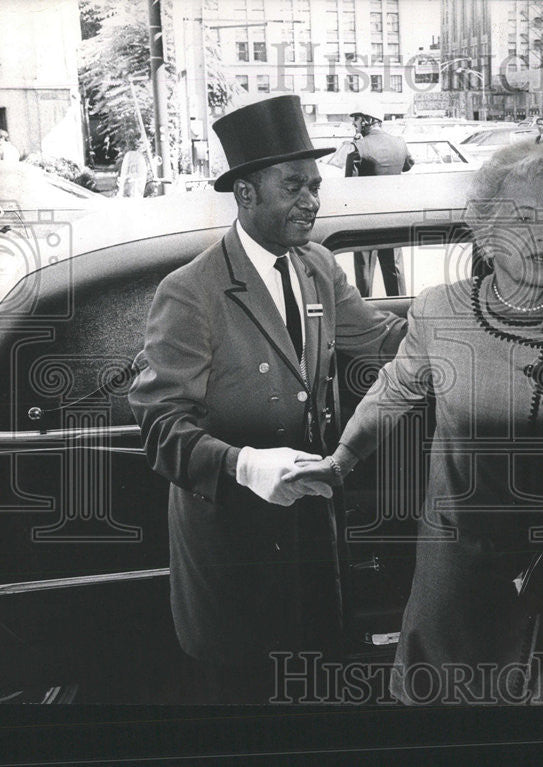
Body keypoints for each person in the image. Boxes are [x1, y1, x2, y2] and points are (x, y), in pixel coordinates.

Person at [288, 142, 543, 704]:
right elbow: (395, 390)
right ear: (487, 233)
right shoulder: (438, 310)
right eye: (524, 218)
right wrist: (343, 459)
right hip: (461, 573)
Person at [128, 95, 407, 703]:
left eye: (314, 185)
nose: (311, 200)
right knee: (248, 702)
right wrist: (246, 465)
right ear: (246, 193)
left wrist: (463, 314)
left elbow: (383, 339)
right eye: (294, 187)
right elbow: (160, 428)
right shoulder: (191, 291)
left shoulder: (316, 267)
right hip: (236, 554)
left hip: (311, 536)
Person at [347, 105, 414, 297]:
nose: (354, 123)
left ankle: (366, 309)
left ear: (367, 120)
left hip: (365, 217)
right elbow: (408, 165)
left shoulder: (359, 147)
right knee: (394, 267)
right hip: (393, 214)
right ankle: (401, 311)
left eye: (356, 119)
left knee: (365, 269)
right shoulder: (399, 142)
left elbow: (349, 184)